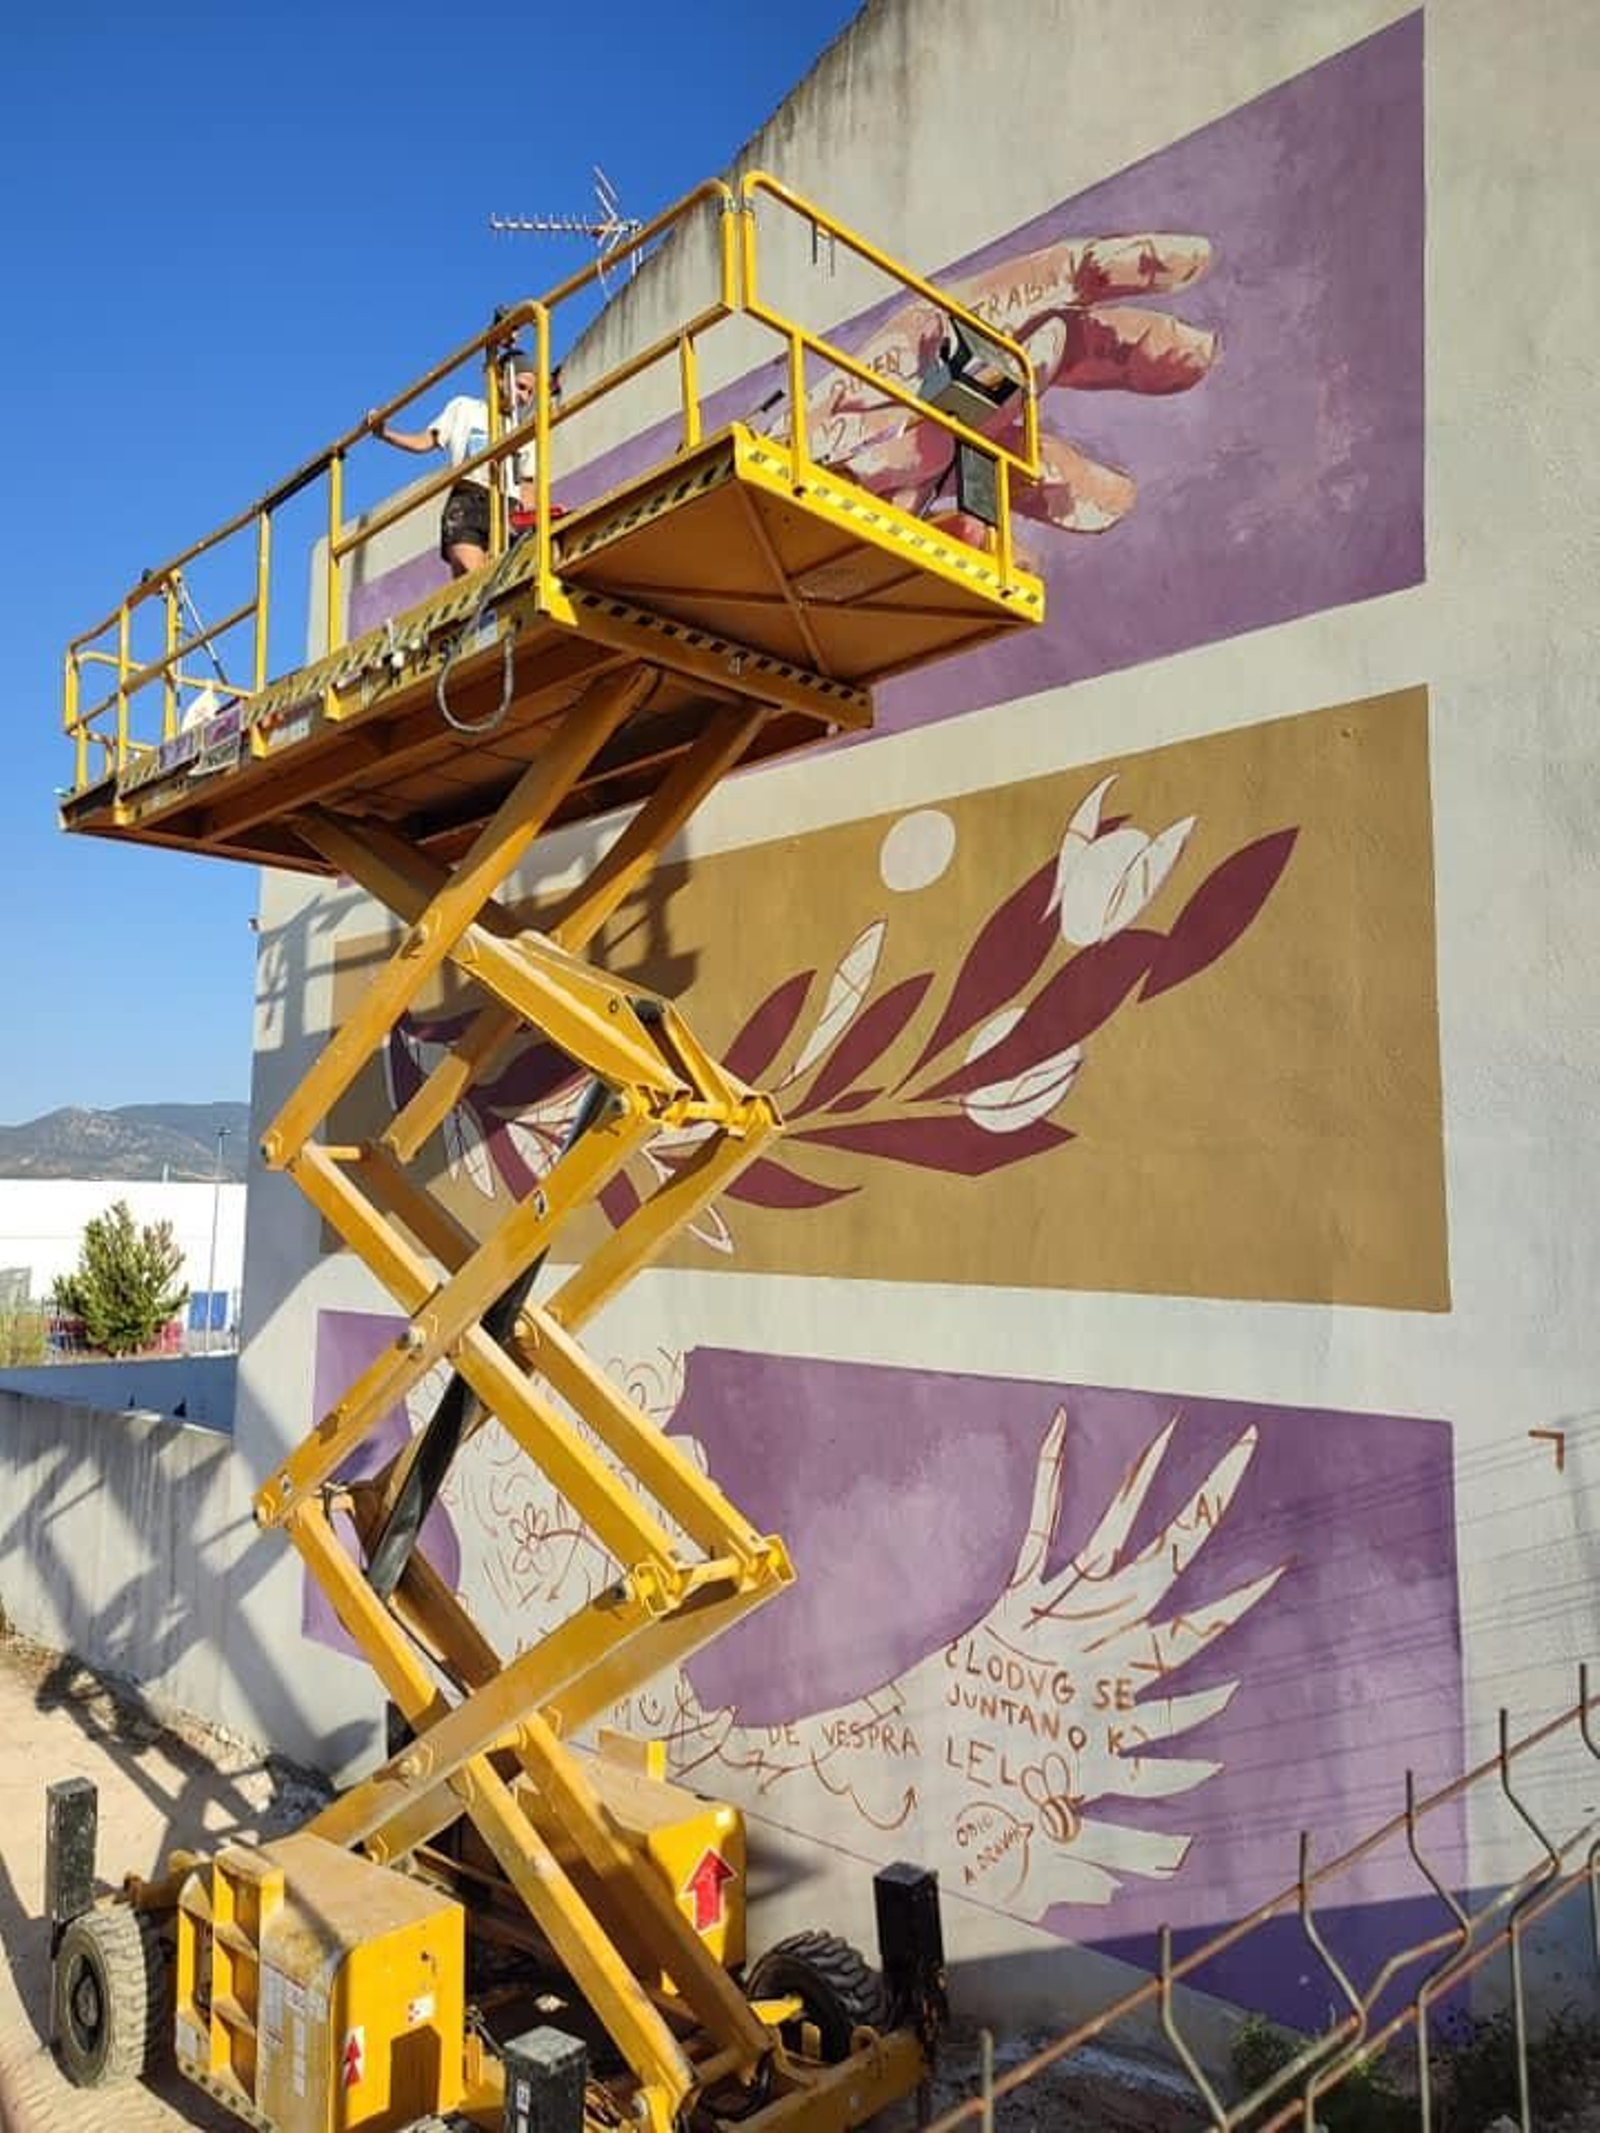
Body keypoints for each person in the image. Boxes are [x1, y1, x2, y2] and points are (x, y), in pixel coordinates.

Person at [371, 350, 554, 578]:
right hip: (468, 501)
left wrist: (536, 521)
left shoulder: (524, 431)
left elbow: (527, 487)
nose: (525, 397)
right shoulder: (465, 408)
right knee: (475, 579)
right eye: (520, 386)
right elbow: (424, 441)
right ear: (499, 378)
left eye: (530, 392)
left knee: (499, 585)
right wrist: (386, 433)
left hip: (508, 509)